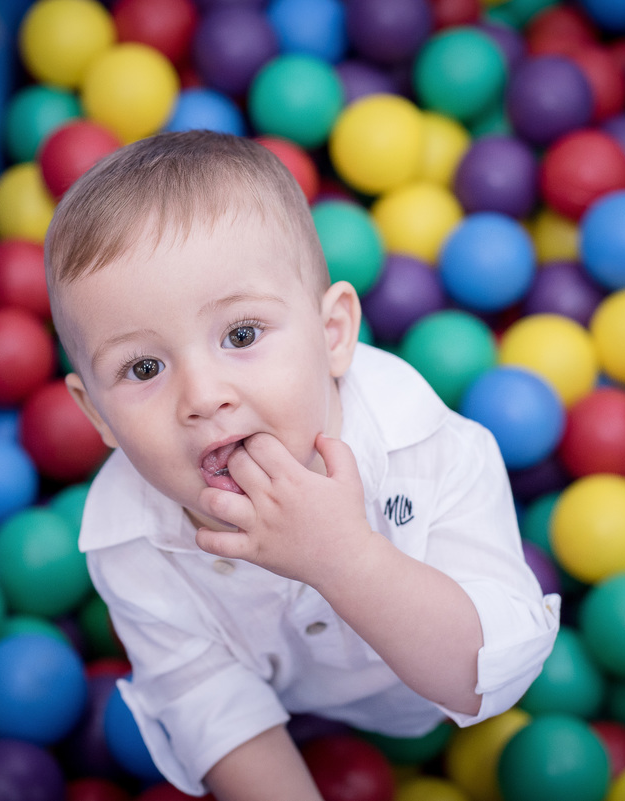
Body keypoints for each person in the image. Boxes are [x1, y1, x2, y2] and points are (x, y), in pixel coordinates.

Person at [44, 130, 560, 800]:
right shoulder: (130, 541)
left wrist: (344, 558)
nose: (203, 397)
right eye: (144, 367)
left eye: (241, 335)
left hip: (436, 709)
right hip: (305, 722)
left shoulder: (432, 452)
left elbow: (489, 675)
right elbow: (210, 703)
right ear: (98, 416)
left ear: (332, 334)